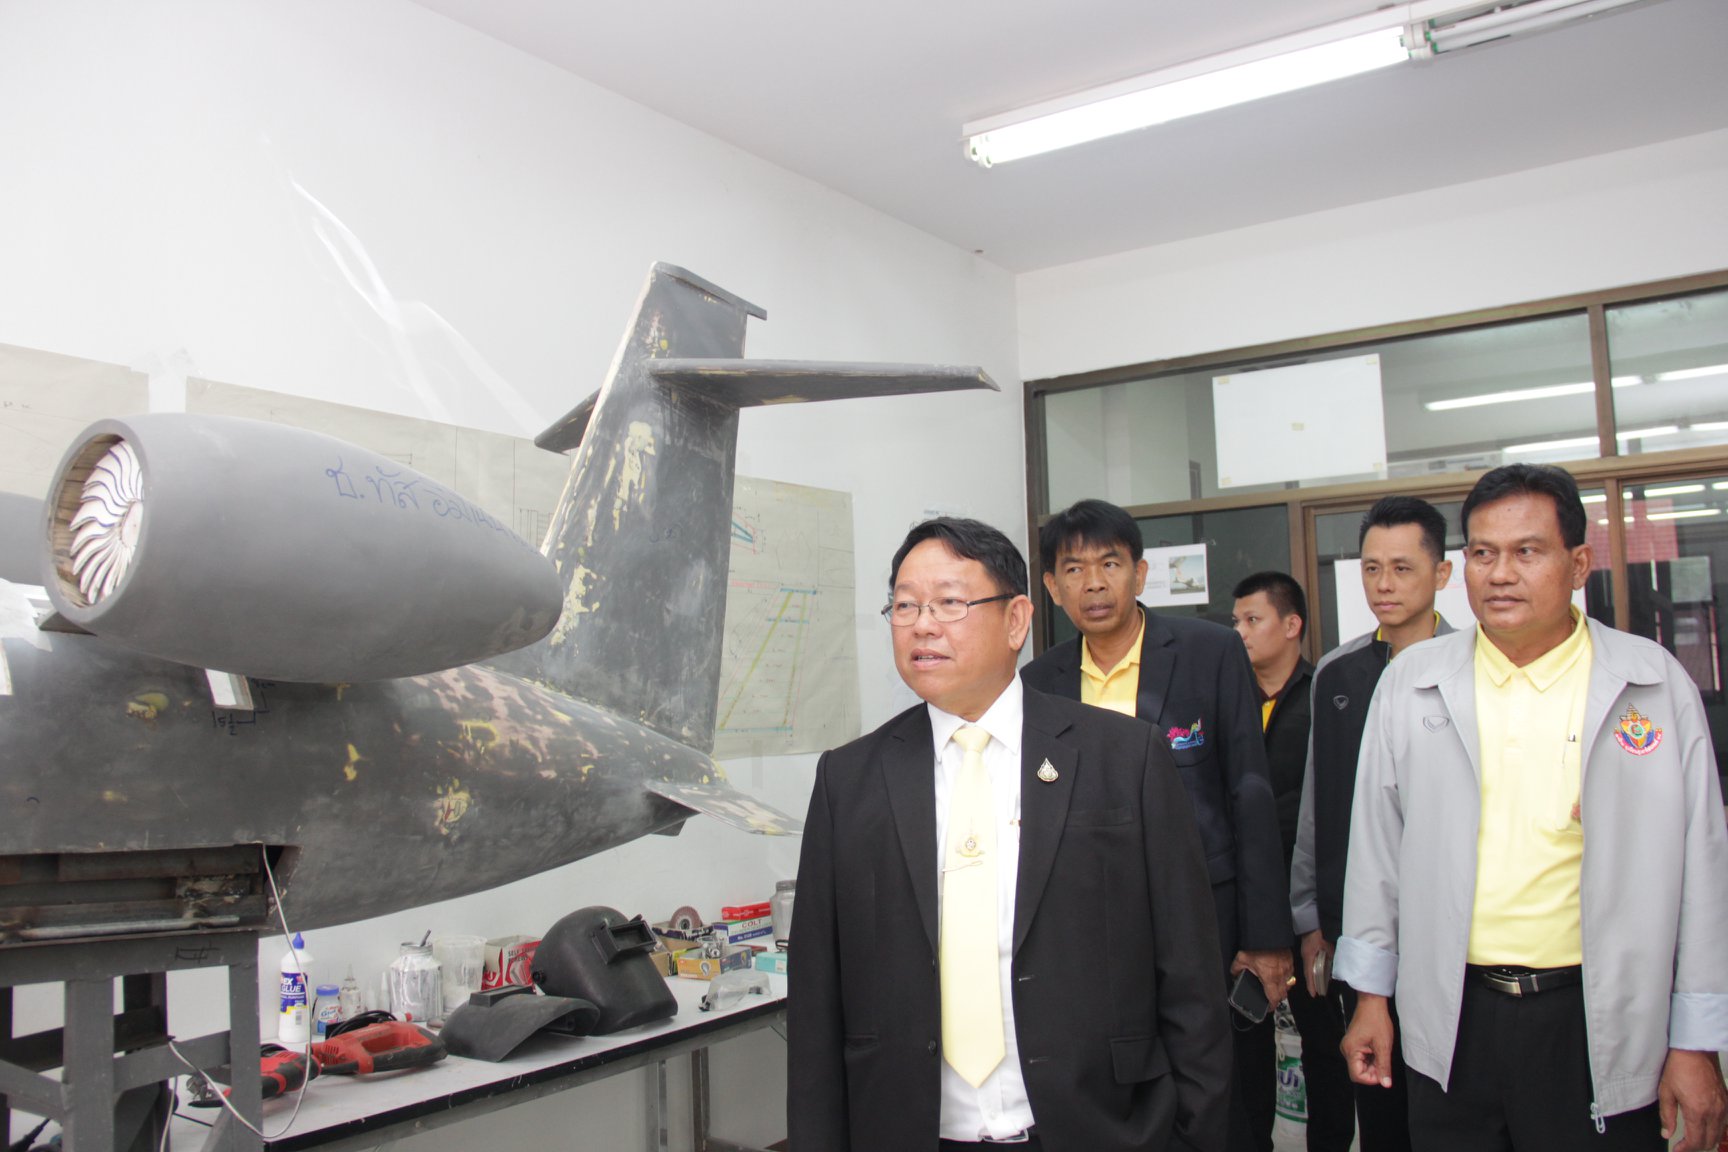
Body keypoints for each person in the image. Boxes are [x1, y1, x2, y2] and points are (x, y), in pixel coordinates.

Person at [788, 517, 1231, 1152]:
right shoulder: (849, 779)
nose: (922, 625)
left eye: (949, 602)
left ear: (1017, 620)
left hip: (1098, 1127)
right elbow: (815, 1003)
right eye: (905, 605)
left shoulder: (1123, 757)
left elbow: (1190, 973)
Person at [1336, 464, 1728, 1152]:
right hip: (1454, 1015)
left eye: (1527, 551)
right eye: (1483, 553)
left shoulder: (1650, 682)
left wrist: (1695, 1041)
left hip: (1596, 1016)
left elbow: (1703, 867)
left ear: (1577, 564)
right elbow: (1376, 851)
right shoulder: (1413, 683)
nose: (1500, 574)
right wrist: (1371, 996)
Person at [1023, 499, 1290, 1152]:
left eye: (1110, 564)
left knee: (1224, 1092)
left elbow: (1249, 791)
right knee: (1119, 1089)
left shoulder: (1210, 651)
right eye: (1074, 569)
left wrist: (1265, 937)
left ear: (1140, 573)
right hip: (1092, 929)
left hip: (1205, 918)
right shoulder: (1039, 681)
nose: (1094, 584)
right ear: (1052, 587)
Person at [1289, 494, 1455, 1151]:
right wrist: (1309, 917)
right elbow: (1317, 805)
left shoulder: (1471, 666)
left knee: (1448, 1113)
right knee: (1380, 1109)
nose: (1383, 585)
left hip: (1448, 933)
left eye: (1402, 568)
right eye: (1371, 568)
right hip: (1355, 933)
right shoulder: (1337, 672)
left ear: (1442, 573)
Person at [1230, 572, 1352, 1152]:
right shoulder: (1229, 700)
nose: (1240, 632)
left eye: (1252, 620)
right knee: (1246, 1045)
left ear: (1292, 625)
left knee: (1324, 1046)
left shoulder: (1324, 696)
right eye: (1236, 621)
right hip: (1245, 907)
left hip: (1306, 907)